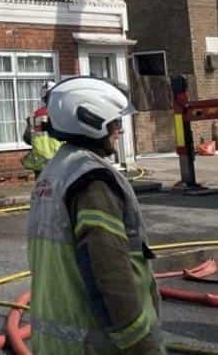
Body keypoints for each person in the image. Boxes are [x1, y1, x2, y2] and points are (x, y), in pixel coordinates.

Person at [28, 77, 165, 355]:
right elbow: (108, 274)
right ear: (92, 121)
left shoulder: (55, 171)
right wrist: (139, 344)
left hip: (57, 344)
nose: (119, 130)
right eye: (115, 122)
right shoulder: (92, 181)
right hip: (97, 345)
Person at [22, 80, 62, 176]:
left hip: (40, 166)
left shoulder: (33, 116)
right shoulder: (62, 114)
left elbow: (27, 139)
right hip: (59, 163)